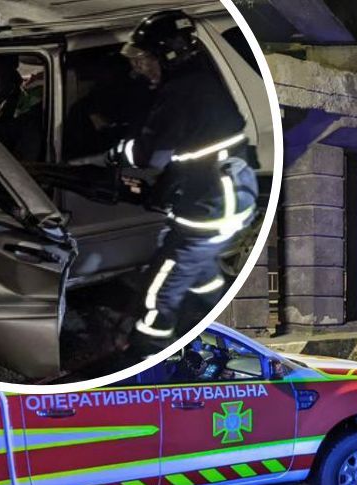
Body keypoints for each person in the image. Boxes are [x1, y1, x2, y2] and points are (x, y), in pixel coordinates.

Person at [103, 10, 259, 357]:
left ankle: (148, 348)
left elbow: (149, 156)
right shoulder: (198, 81)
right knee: (201, 269)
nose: (139, 68)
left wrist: (117, 151)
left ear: (169, 55)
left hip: (211, 206)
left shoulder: (180, 93)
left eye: (145, 60)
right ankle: (213, 316)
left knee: (161, 287)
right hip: (213, 196)